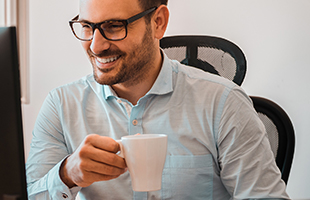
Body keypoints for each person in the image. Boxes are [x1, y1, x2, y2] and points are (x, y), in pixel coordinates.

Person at [25, 0, 289, 199]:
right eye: (86, 27)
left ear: (158, 22)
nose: (95, 46)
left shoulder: (223, 103)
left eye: (114, 26)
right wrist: (67, 174)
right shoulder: (61, 105)